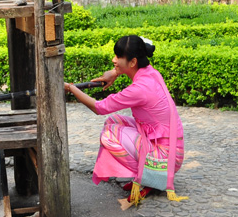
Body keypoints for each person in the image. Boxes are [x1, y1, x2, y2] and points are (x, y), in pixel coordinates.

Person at [64, 35, 186, 205]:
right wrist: (115, 73)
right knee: (113, 121)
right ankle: (148, 173)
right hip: (170, 147)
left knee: (109, 134)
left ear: (133, 62)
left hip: (167, 158)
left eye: (118, 57)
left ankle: (151, 174)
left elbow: (99, 107)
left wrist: (71, 88)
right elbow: (141, 50)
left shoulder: (139, 89)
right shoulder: (150, 72)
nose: (114, 60)